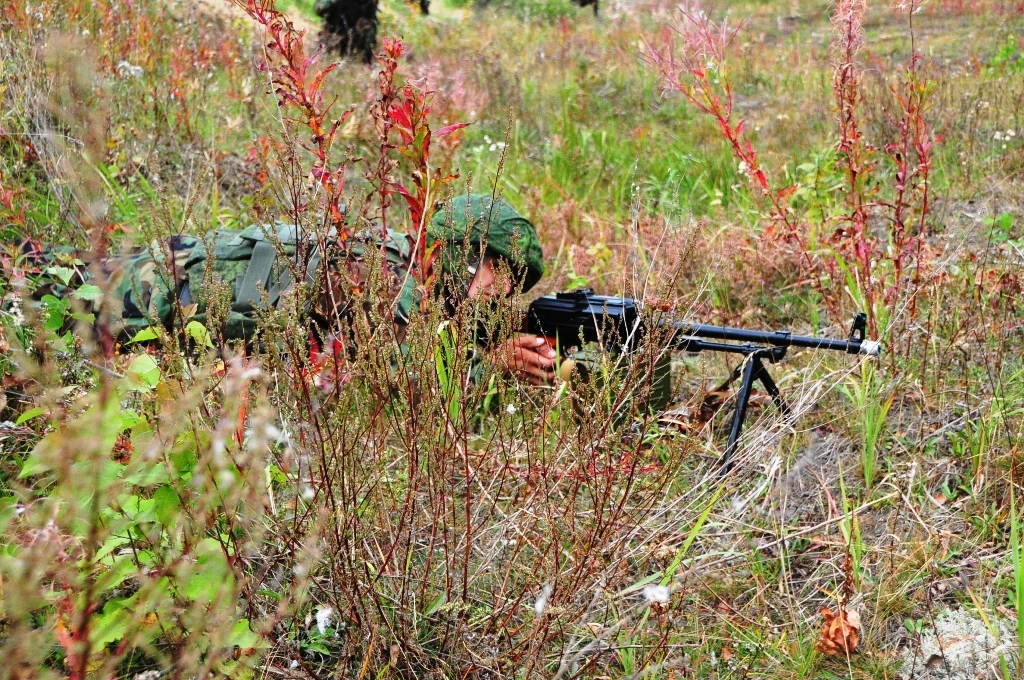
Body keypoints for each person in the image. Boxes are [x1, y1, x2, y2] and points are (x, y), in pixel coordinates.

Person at [3, 194, 559, 385]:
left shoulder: (411, 268)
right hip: (160, 291)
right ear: (464, 253)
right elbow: (400, 381)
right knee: (38, 300)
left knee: (56, 280)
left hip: (172, 274)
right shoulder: (387, 277)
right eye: (499, 273)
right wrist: (489, 367)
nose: (501, 291)